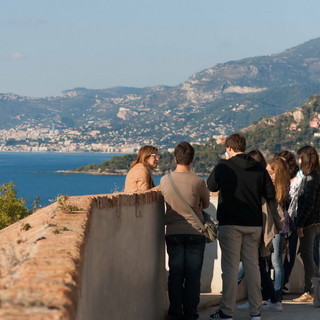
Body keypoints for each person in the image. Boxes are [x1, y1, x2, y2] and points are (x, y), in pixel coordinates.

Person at [207, 133, 276, 320]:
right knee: (252, 266)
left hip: (230, 224)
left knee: (229, 268)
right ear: (244, 147)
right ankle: (256, 312)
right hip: (254, 224)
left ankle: (227, 312)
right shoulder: (258, 168)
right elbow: (270, 194)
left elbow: (211, 186)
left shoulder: (223, 166)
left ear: (229, 148)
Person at [160, 142, 210, 320]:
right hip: (196, 233)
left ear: (175, 158)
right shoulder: (198, 181)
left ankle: (175, 312)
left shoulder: (165, 180)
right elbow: (205, 204)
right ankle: (190, 313)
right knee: (192, 276)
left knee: (175, 274)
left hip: (173, 232)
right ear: (192, 159)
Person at [292, 146, 320, 302]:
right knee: (307, 255)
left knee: (307, 256)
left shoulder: (310, 179)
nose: (298, 161)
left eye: (300, 157)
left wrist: (300, 224)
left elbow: (307, 203)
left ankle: (310, 290)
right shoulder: (316, 176)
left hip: (309, 223)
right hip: (315, 222)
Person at [266, 157, 290, 304]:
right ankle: (276, 295)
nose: (267, 174)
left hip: (275, 228)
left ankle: (275, 296)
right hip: (281, 228)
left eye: (270, 172)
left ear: (277, 173)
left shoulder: (275, 189)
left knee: (275, 262)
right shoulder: (285, 187)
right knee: (277, 262)